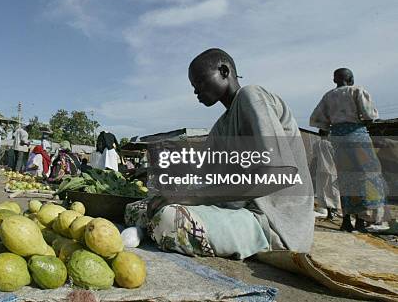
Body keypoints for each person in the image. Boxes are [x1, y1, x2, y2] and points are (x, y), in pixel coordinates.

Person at [125, 48, 314, 259]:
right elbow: (199, 173)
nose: (196, 91)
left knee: (169, 221)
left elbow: (280, 174)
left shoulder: (252, 96)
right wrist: (156, 171)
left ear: (224, 70)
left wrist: (188, 196)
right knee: (138, 208)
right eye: (193, 86)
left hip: (273, 222)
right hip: (239, 210)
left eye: (200, 82)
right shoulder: (221, 127)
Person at [310, 68, 387, 232]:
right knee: (366, 177)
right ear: (351, 78)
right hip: (357, 138)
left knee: (345, 178)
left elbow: (319, 122)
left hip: (338, 139)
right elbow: (369, 115)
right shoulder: (357, 91)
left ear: (334, 80)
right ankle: (360, 220)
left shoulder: (328, 96)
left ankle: (346, 220)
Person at [312, 130, 341, 220]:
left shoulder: (316, 144)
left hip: (320, 171)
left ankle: (329, 212)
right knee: (333, 191)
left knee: (323, 191)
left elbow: (315, 158)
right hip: (332, 170)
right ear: (328, 134)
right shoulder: (330, 144)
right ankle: (333, 211)